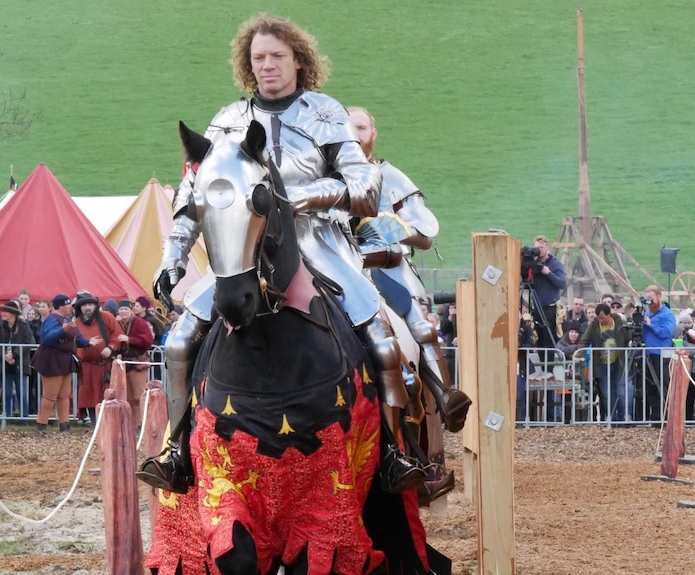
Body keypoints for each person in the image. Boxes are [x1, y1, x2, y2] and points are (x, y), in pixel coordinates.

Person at [151, 14, 421, 495]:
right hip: (247, 247)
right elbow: (197, 196)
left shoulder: (325, 113)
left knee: (382, 342)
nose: (268, 65)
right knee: (177, 342)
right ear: (247, 65)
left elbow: (365, 185)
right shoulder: (227, 121)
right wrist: (173, 255)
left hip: (320, 241)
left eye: (277, 56)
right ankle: (177, 452)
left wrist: (310, 196)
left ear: (298, 60)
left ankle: (393, 453)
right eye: (259, 58)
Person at [348, 105, 466, 500]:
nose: (355, 132)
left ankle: (445, 401)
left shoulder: (389, 176)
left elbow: (427, 231)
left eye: (361, 126)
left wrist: (398, 227)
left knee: (418, 327)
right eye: (348, 127)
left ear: (373, 132)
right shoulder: (328, 176)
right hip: (343, 271)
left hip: (388, 268)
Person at [30, 294, 102, 433]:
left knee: (64, 395)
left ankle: (64, 425)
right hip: (52, 360)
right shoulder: (52, 319)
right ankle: (41, 425)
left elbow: (77, 338)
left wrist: (87, 342)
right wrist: (62, 330)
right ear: (61, 306)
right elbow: (46, 338)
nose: (70, 307)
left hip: (64, 359)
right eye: (68, 305)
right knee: (50, 395)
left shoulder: (67, 319)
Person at [71, 291, 120, 427]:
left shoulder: (106, 317)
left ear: (95, 305)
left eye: (90, 304)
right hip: (86, 367)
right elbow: (72, 342)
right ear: (79, 308)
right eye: (84, 305)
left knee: (106, 395)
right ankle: (95, 424)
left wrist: (110, 348)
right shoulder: (77, 323)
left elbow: (117, 335)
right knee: (89, 397)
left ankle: (108, 425)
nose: (87, 307)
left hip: (104, 366)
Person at [579, 304, 630, 421]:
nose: (600, 320)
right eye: (598, 318)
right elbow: (584, 341)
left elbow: (628, 337)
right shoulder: (594, 326)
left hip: (619, 363)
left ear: (609, 315)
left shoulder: (619, 323)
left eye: (603, 318)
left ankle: (623, 418)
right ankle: (611, 418)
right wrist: (580, 355)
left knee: (621, 391)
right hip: (601, 364)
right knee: (607, 393)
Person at [638, 285, 676, 422]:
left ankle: (667, 418)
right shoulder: (647, 313)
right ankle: (655, 417)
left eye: (651, 298)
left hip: (661, 355)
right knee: (650, 387)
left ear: (659, 297)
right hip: (648, 354)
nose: (649, 302)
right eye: (646, 299)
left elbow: (666, 333)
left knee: (662, 385)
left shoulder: (667, 314)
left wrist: (650, 325)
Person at [0, 299, 36, 418]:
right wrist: (4, 356)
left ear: (12, 313)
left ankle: (24, 418)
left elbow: (29, 343)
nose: (3, 314)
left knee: (22, 393)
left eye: (6, 311)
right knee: (6, 393)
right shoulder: (0, 326)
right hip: (5, 365)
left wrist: (14, 354)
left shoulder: (24, 327)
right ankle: (7, 416)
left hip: (20, 364)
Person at [116, 300, 154, 428]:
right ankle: (134, 423)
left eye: (125, 309)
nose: (123, 312)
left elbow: (148, 340)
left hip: (138, 362)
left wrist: (130, 340)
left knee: (139, 395)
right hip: (124, 363)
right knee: (129, 397)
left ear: (131, 310)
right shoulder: (118, 324)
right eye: (121, 309)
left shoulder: (139, 322)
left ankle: (145, 423)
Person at [528, 235, 567, 349]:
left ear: (547, 247)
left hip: (550, 308)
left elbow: (562, 283)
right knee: (538, 339)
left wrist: (548, 273)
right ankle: (542, 364)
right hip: (536, 307)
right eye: (537, 248)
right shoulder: (533, 264)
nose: (539, 250)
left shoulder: (555, 264)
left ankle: (548, 366)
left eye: (541, 247)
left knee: (548, 340)